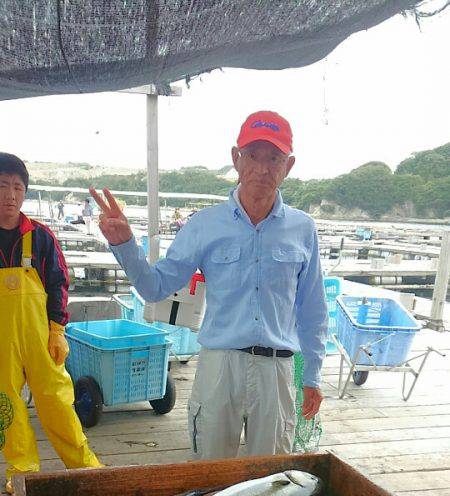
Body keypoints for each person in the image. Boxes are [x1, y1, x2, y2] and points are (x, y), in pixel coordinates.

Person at [90, 111, 328, 460]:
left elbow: (313, 308)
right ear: (236, 158)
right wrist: (126, 244)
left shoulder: (303, 228)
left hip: (276, 371)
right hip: (219, 366)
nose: (262, 168)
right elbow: (155, 287)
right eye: (253, 156)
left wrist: (313, 374)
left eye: (274, 158)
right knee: (210, 471)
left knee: (273, 476)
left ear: (288, 165)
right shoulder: (204, 224)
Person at [0, 153, 102, 493]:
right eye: (2, 186)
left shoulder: (41, 237)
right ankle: (22, 471)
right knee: (7, 404)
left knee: (57, 402)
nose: (9, 195)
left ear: (24, 194)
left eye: (17, 187)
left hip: (41, 337)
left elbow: (59, 283)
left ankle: (85, 467)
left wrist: (57, 328)